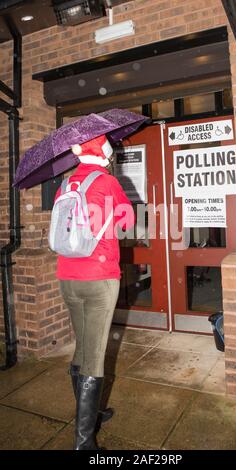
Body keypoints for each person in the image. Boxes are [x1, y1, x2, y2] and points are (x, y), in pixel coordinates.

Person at [54, 134, 135, 450]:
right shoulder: (107, 182)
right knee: (94, 357)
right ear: (105, 155)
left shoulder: (65, 184)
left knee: (82, 346)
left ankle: (94, 412)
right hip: (99, 279)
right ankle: (84, 441)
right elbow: (127, 222)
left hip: (67, 277)